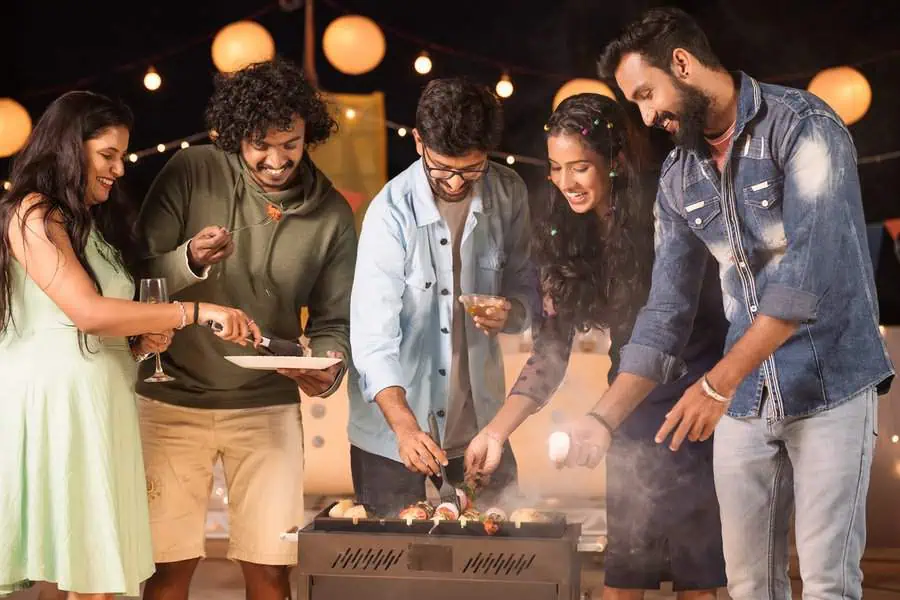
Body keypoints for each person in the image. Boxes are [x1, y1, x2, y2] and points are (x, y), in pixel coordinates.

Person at [563, 7, 895, 600]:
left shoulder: (804, 127)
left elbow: (803, 281)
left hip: (830, 388)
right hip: (745, 400)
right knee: (747, 586)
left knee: (826, 584)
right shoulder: (679, 177)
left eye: (647, 93)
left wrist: (715, 384)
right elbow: (664, 314)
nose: (645, 115)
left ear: (684, 65)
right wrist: (602, 420)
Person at [465, 93, 726, 598]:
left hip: (694, 403)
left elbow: (688, 322)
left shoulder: (662, 213)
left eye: (580, 167)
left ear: (615, 160)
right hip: (623, 412)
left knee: (698, 579)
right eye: (557, 168)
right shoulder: (565, 231)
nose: (566, 183)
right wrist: (496, 433)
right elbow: (550, 351)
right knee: (623, 574)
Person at [0, 91, 257, 599]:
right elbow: (89, 314)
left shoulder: (88, 226)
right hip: (61, 407)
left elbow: (98, 321)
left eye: (121, 155)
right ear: (71, 148)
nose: (119, 168)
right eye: (108, 155)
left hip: (101, 401)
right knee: (91, 566)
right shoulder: (34, 212)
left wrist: (139, 344)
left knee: (96, 572)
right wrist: (197, 312)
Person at [136, 58, 357, 600]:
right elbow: (137, 278)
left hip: (266, 407)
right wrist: (188, 258)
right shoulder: (191, 172)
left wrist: (325, 369)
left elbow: (334, 322)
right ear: (234, 136)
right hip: (171, 400)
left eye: (291, 143)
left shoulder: (331, 214)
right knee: (167, 570)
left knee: (269, 570)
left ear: (309, 135)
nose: (276, 159)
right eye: (260, 144)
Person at [348, 78, 535, 516]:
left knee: (500, 565)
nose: (454, 182)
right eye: (442, 168)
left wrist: (512, 313)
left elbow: (527, 286)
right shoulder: (389, 213)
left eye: (471, 169)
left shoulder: (508, 193)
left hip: (480, 427)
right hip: (394, 436)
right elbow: (372, 341)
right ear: (418, 143)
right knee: (395, 577)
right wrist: (405, 427)